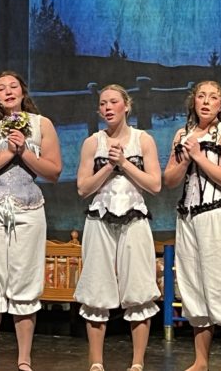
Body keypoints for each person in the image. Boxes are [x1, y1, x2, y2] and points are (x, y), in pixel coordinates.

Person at [0, 71, 62, 371]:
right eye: (1, 88)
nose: (8, 91)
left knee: (25, 279)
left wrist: (24, 152)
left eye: (13, 86)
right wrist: (7, 152)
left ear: (23, 91)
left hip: (28, 207)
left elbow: (54, 171)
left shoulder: (41, 124)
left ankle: (24, 359)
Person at [163, 81, 221, 371]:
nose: (205, 101)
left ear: (220, 105)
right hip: (188, 218)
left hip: (218, 216)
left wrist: (200, 156)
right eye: (201, 96)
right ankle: (200, 361)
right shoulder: (182, 134)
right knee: (193, 289)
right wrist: (185, 158)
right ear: (193, 101)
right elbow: (169, 180)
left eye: (213, 97)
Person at [74, 84, 161, 371]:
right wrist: (109, 166)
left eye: (113, 102)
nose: (107, 107)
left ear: (126, 106)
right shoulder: (93, 142)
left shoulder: (143, 139)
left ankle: (137, 362)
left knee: (138, 288)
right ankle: (96, 362)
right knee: (96, 287)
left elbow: (155, 185)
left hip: (134, 218)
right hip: (99, 219)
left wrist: (124, 162)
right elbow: (83, 188)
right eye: (103, 103)